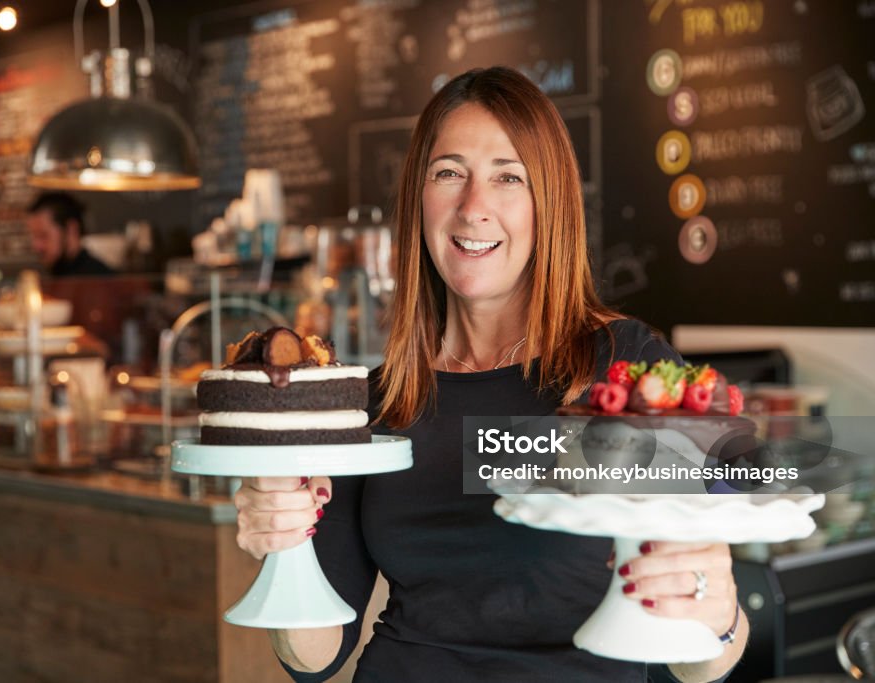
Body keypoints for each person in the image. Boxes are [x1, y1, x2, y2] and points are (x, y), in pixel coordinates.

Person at [234, 67, 747, 682]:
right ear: (418, 197)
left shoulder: (628, 372)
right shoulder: (372, 400)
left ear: (548, 205)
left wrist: (716, 609)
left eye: (508, 178)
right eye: (449, 173)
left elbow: (705, 662)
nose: (473, 208)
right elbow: (314, 658)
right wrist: (282, 544)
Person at [26, 192, 115, 277]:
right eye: (34, 236)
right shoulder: (58, 274)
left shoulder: (98, 280)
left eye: (43, 235)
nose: (36, 246)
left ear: (71, 230)